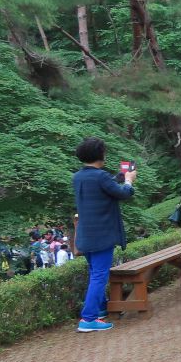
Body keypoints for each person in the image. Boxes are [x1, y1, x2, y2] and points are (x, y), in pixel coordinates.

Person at [72, 137, 136, 332]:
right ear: (101, 155)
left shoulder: (78, 176)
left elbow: (104, 188)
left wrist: (117, 178)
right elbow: (124, 193)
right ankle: (88, 318)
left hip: (86, 234)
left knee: (95, 273)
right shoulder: (100, 177)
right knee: (99, 275)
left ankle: (99, 310)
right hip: (102, 235)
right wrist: (128, 180)